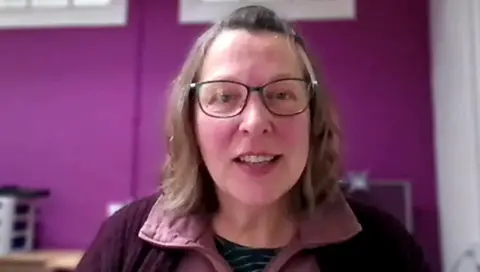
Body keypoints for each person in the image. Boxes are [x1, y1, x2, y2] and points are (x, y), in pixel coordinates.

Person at [76, 5, 430, 272]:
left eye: (281, 94)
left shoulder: (386, 249)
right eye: (225, 97)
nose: (255, 122)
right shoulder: (123, 243)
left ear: (314, 119)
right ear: (191, 122)